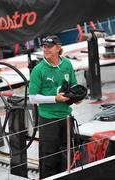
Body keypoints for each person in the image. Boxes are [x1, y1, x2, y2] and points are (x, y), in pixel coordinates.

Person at [29, 35, 78, 179]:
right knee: (48, 159)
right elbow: (32, 98)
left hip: (66, 117)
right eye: (44, 46)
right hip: (48, 120)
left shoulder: (67, 64)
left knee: (67, 156)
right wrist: (55, 98)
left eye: (49, 46)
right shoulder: (38, 70)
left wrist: (77, 97)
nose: (46, 49)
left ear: (58, 48)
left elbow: (74, 86)